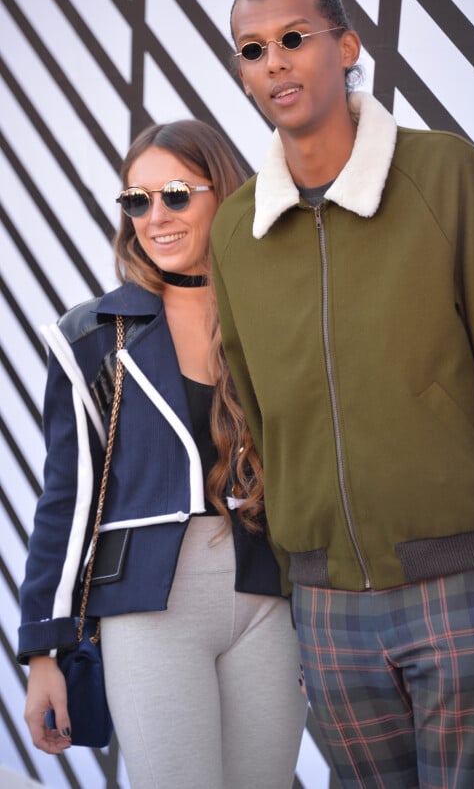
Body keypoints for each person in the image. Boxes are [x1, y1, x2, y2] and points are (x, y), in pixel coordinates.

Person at [210, 0, 474, 788]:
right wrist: (293, 566)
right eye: (252, 49)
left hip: (458, 576)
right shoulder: (238, 229)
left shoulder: (445, 174)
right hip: (326, 596)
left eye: (294, 39)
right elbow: (261, 417)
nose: (275, 62)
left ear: (347, 46)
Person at [18, 119, 307, 788]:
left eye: (176, 194)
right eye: (137, 201)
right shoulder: (92, 336)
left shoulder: (282, 316)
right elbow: (66, 499)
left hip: (271, 599)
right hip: (149, 608)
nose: (155, 216)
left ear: (225, 195)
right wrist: (42, 651)